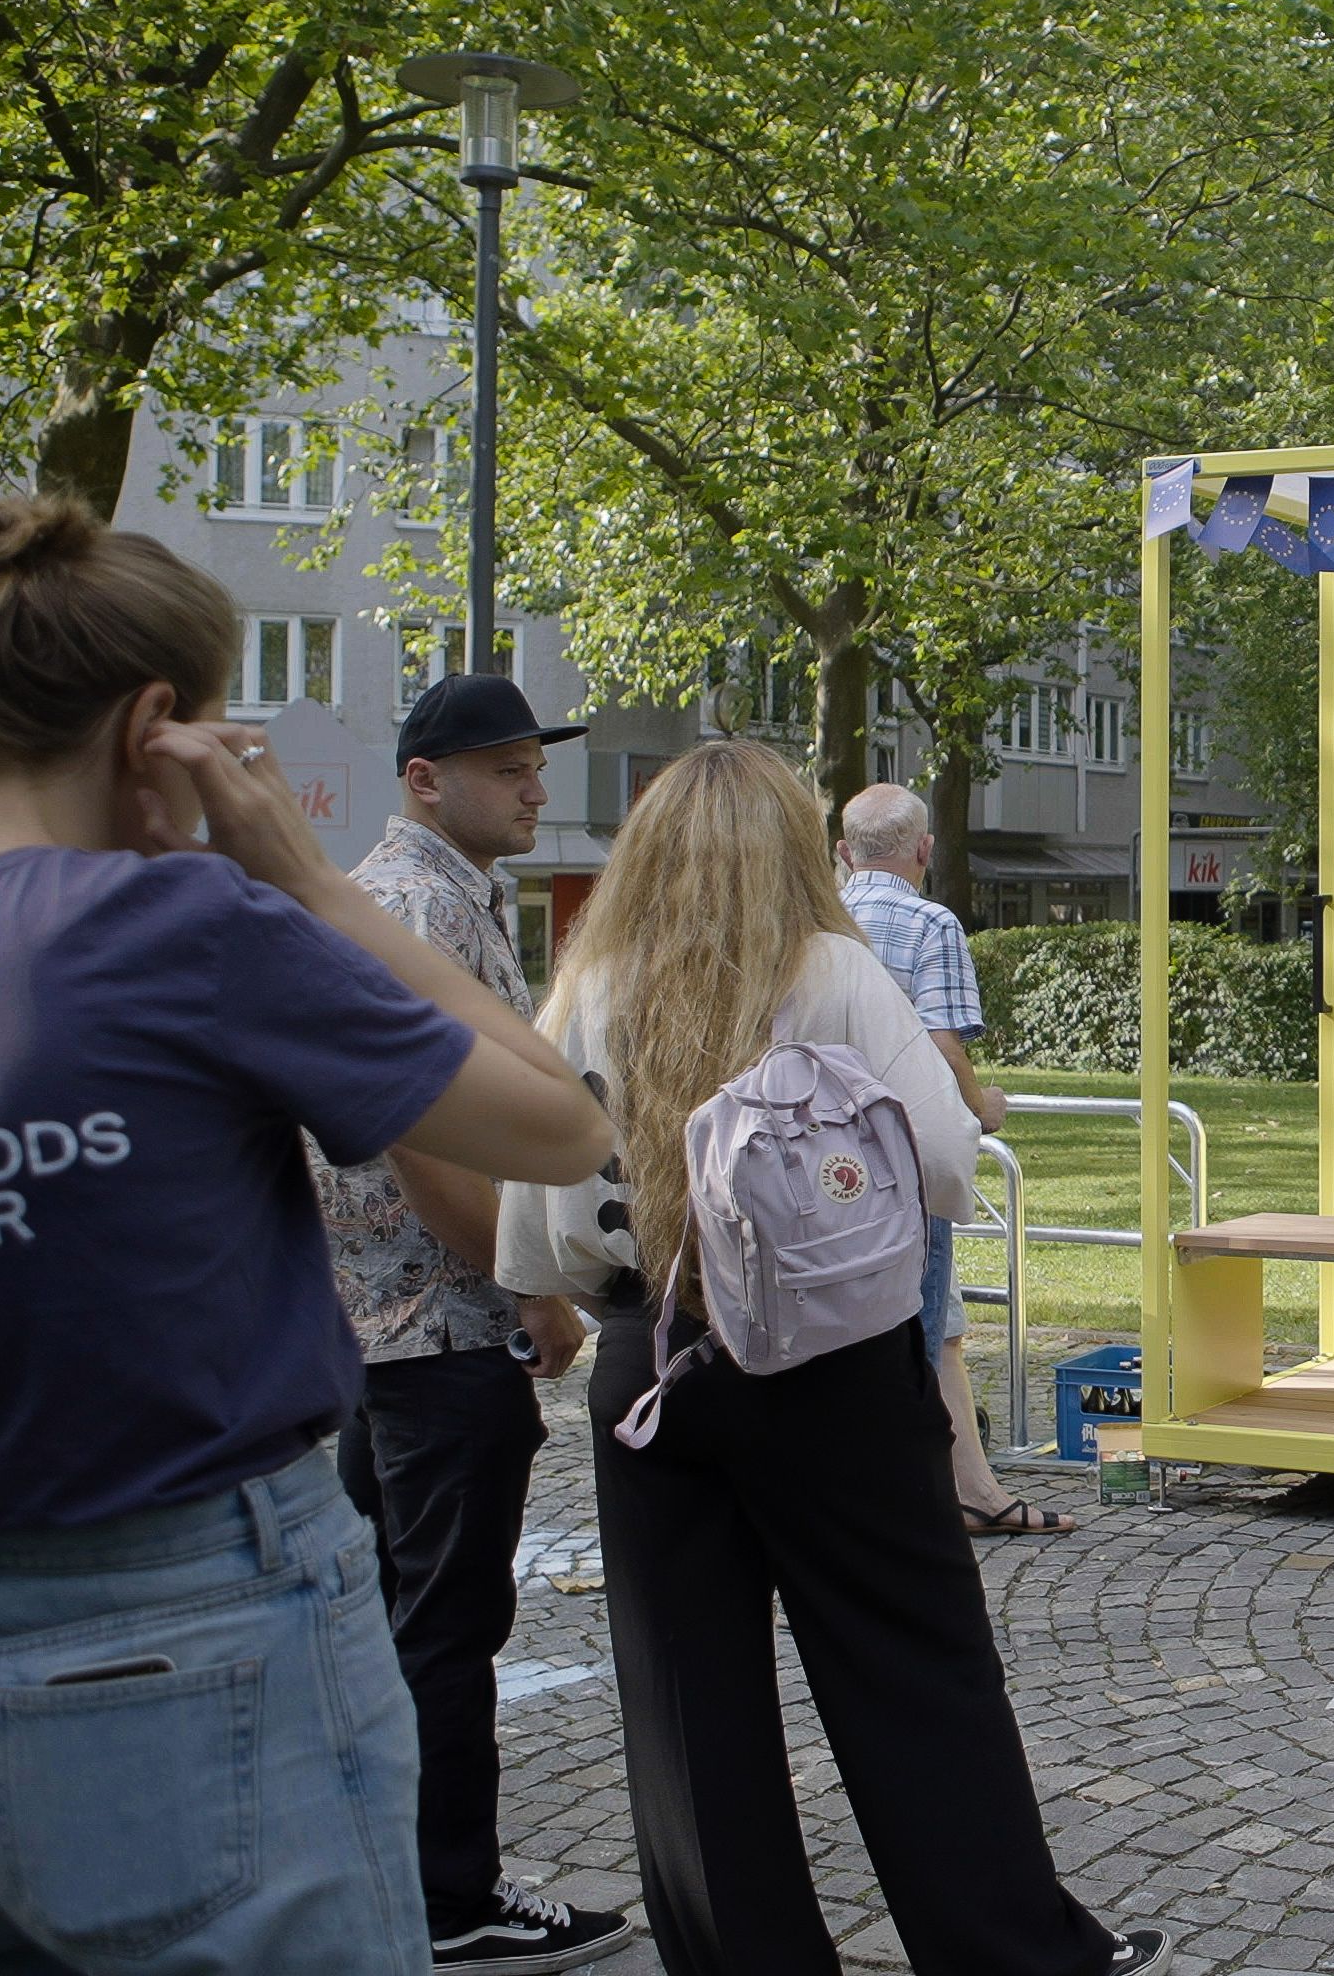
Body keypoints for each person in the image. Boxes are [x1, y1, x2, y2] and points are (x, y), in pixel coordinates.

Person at [0, 496, 612, 1974]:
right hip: (176, 1630)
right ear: (158, 728)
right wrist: (306, 879)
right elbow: (557, 1123)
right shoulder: (181, 926)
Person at [495, 740, 1168, 1976]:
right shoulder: (832, 971)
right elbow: (950, 1163)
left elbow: (538, 1202)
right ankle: (1008, 1951)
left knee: (685, 1691)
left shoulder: (590, 980)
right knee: (910, 1661)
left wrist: (567, 1301)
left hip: (653, 1354)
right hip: (828, 1356)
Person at [317, 673, 633, 1973]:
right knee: (444, 1629)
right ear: (424, 779)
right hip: (433, 1327)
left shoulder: (418, 895)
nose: (536, 789)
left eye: (533, 766)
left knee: (395, 1620)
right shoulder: (417, 907)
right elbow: (423, 1136)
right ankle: (449, 1899)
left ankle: (386, 1882)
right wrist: (531, 1288)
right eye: (508, 769)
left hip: (387, 1327)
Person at [833, 781, 1071, 1537]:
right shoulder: (930, 922)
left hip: (821, 1162)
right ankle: (913, 1500)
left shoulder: (819, 919)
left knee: (931, 1330)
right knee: (920, 1323)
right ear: (926, 849)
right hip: (907, 1157)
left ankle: (971, 1489)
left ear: (844, 852)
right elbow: (941, 1041)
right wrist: (979, 1105)